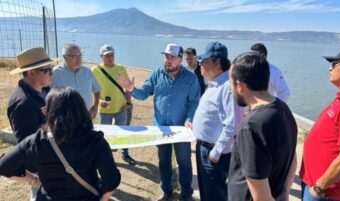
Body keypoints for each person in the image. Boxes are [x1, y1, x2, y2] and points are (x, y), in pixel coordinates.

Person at [0, 87, 121, 201]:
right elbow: (111, 180)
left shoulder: (36, 142)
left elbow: (4, 166)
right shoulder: (96, 141)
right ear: (82, 111)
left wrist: (34, 181)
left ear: (50, 113)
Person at [123, 43, 200, 201]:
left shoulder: (191, 78)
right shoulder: (156, 73)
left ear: (180, 59)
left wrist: (189, 120)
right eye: (166, 56)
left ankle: (186, 194)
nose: (168, 60)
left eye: (172, 57)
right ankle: (167, 191)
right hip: (160, 128)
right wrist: (132, 89)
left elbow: (194, 103)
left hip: (181, 130)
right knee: (164, 161)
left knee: (184, 162)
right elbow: (144, 93)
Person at [228, 52, 297, 201]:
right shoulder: (283, 109)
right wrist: (285, 192)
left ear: (239, 85)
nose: (231, 90)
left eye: (231, 85)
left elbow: (261, 197)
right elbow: (293, 156)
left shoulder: (251, 126)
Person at [299, 46, 340, 201]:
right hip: (315, 184)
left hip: (326, 192)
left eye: (335, 64)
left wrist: (319, 187)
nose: (329, 68)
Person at [192, 41, 244, 201]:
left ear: (217, 62)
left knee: (215, 195)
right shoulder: (215, 83)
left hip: (214, 152)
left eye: (203, 61)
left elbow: (234, 123)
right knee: (207, 194)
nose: (199, 64)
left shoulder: (227, 87)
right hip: (205, 148)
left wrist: (216, 151)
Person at [7, 47, 58, 201]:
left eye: (51, 69)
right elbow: (28, 145)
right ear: (31, 72)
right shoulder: (23, 103)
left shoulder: (45, 90)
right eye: (47, 70)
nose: (51, 73)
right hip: (42, 169)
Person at [91, 44, 137, 166]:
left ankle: (125, 154)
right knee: (104, 135)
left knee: (124, 132)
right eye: (107, 56)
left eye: (112, 55)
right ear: (101, 56)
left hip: (121, 108)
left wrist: (127, 103)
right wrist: (100, 102)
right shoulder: (95, 70)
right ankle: (105, 157)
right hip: (104, 110)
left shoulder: (120, 68)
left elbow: (127, 87)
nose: (110, 58)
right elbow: (93, 89)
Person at [51, 43, 101, 119]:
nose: (78, 59)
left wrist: (95, 106)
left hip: (87, 116)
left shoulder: (87, 72)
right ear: (65, 57)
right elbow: (47, 96)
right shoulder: (55, 73)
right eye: (74, 56)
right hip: (66, 119)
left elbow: (97, 90)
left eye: (80, 55)